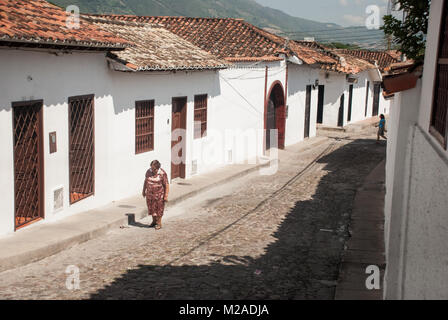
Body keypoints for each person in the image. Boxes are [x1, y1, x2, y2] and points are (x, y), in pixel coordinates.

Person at [142, 160, 169, 230]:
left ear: (157, 168)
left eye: (154, 169)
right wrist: (143, 190)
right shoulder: (148, 171)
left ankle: (159, 223)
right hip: (150, 195)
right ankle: (154, 221)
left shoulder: (162, 173)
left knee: (159, 209)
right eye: (151, 168)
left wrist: (166, 196)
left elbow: (166, 184)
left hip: (159, 195)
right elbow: (146, 181)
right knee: (151, 208)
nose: (152, 170)